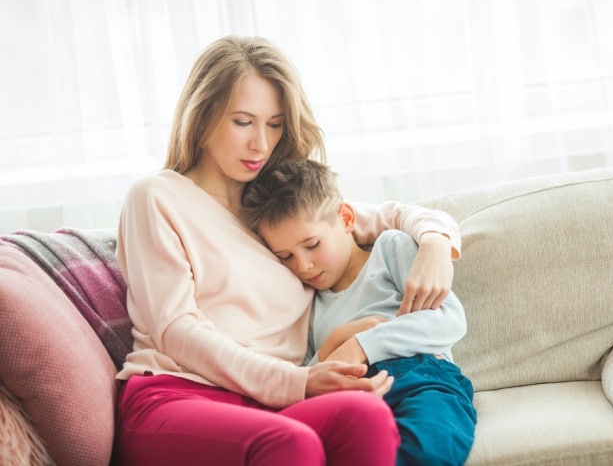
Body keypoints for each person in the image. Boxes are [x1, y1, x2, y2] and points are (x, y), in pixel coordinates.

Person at [113, 34, 463, 466]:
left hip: (274, 403)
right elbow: (176, 330)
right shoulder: (155, 197)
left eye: (274, 124)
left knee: (366, 414)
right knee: (290, 443)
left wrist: (436, 242)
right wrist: (299, 381)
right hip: (178, 393)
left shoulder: (275, 213)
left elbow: (379, 216)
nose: (261, 144)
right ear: (202, 119)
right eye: (243, 122)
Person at [242, 158, 477, 466]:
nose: (303, 265)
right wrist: (335, 343)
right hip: (348, 395)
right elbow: (310, 372)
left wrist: (363, 344)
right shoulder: (307, 300)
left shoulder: (389, 248)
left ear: (346, 218)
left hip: (421, 378)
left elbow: (448, 320)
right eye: (285, 256)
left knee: (426, 449)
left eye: (312, 244)